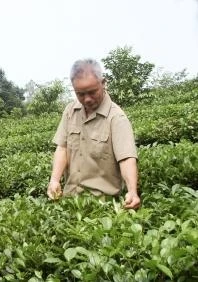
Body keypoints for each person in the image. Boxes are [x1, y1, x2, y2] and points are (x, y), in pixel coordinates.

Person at [47, 58, 140, 209]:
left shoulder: (116, 118)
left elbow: (127, 158)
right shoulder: (70, 111)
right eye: (80, 94)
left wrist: (132, 191)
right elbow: (62, 147)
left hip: (103, 206)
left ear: (103, 83)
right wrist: (55, 180)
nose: (87, 99)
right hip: (70, 201)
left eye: (92, 92)